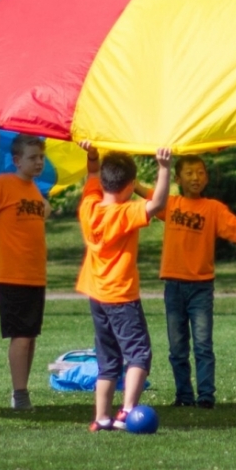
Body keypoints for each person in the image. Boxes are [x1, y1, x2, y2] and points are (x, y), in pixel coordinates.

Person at [76, 143, 172, 431]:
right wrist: (164, 168)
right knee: (139, 355)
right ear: (130, 185)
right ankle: (127, 411)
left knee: (108, 360)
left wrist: (91, 157)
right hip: (121, 295)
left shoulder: (89, 207)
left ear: (104, 181)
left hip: (97, 295)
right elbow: (157, 205)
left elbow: (92, 175)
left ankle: (101, 417)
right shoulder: (124, 212)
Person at [157, 155, 236, 409]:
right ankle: (183, 397)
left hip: (201, 287)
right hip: (173, 286)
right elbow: (144, 193)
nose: (196, 178)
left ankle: (205, 397)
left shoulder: (213, 208)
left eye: (201, 172)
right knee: (177, 348)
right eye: (190, 173)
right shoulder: (169, 204)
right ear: (178, 179)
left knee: (203, 345)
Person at [0, 134, 51, 411]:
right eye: (32, 158)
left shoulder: (34, 189)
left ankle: (22, 390)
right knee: (22, 335)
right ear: (16, 160)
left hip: (35, 273)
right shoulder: (4, 183)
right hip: (11, 273)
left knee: (31, 335)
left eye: (41, 157)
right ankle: (19, 393)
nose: (38, 162)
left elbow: (42, 212)